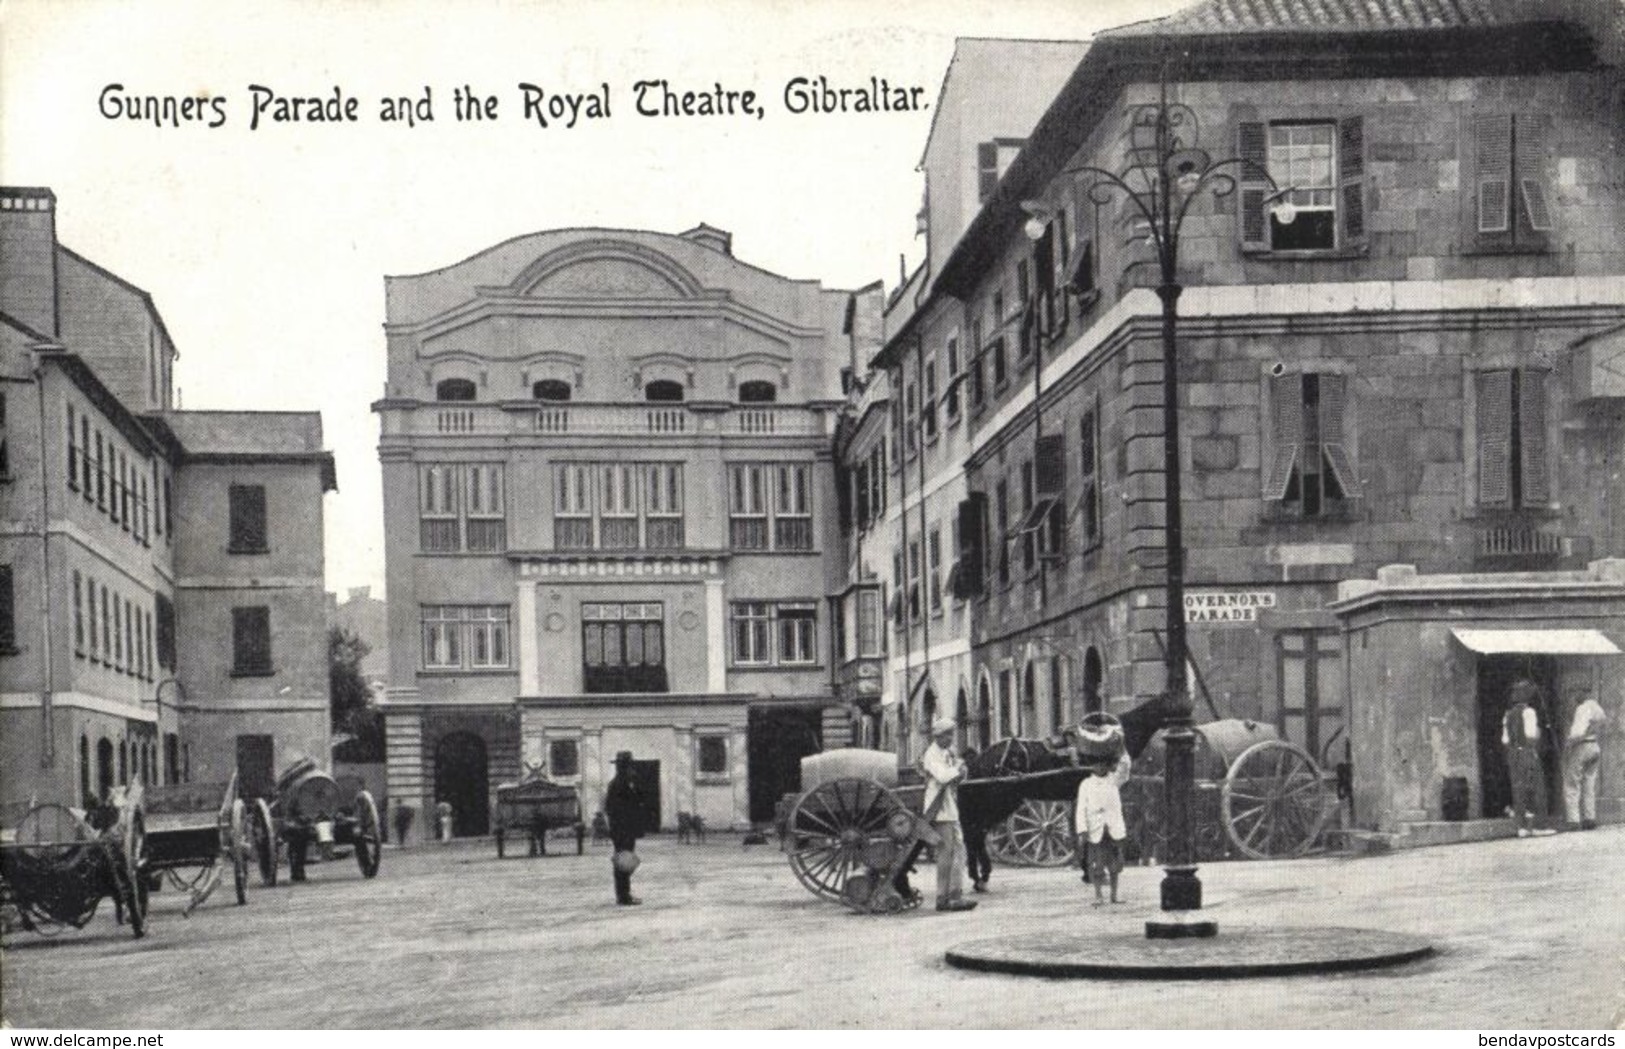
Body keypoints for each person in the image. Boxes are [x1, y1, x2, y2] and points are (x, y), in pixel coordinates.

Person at [920, 717, 976, 912]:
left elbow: (955, 778)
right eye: (949, 734)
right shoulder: (931, 755)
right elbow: (943, 776)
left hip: (949, 808)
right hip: (940, 809)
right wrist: (957, 769)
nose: (952, 738)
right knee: (947, 853)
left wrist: (961, 771)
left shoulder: (945, 752)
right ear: (939, 736)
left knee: (958, 851)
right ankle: (944, 898)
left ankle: (954, 894)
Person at [1075, 750, 1131, 905]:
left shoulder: (1114, 780)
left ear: (1107, 765)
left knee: (1115, 864)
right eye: (1096, 764)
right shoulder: (1086, 784)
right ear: (1091, 766)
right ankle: (1098, 895)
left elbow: (1124, 769)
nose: (1100, 767)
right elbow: (1081, 808)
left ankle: (1114, 894)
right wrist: (1082, 829)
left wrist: (1122, 751)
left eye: (1103, 764)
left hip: (1112, 827)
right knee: (1096, 864)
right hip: (1095, 828)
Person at [1503, 679, 1556, 837]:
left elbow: (1505, 740)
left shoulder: (1508, 714)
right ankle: (1538, 826)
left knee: (1518, 788)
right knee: (1535, 787)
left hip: (1513, 753)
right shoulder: (1529, 712)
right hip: (1527, 752)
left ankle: (1522, 827)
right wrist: (1538, 736)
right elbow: (1531, 735)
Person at [1564, 686, 1608, 830]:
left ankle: (1573, 821)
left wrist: (1569, 743)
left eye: (1575, 693)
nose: (1573, 697)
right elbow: (1602, 722)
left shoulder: (1582, 708)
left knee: (1572, 783)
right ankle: (1590, 818)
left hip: (1581, 746)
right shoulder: (1596, 707)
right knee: (1589, 783)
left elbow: (1578, 732)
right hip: (1594, 745)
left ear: (1580, 693)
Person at [604, 751, 644, 905]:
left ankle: (623, 894)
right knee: (623, 862)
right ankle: (623, 896)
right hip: (623, 829)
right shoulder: (620, 784)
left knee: (624, 861)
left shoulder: (620, 783)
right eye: (628, 766)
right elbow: (615, 808)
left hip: (621, 829)